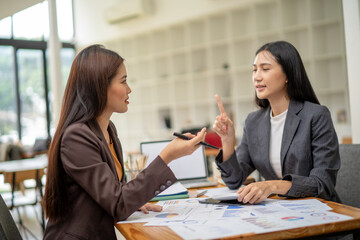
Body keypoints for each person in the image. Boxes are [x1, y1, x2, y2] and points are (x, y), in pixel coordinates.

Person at [43, 44, 206, 239]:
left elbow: (115, 193)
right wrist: (167, 155)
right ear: (100, 86)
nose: (129, 89)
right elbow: (118, 203)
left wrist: (135, 200)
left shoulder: (108, 129)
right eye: (123, 81)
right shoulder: (76, 137)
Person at [213, 41, 340, 205]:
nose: (257, 76)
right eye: (254, 70)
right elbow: (233, 180)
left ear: (288, 74)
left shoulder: (316, 116)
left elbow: (322, 184)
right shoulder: (253, 122)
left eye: (265, 69)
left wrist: (271, 186)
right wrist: (227, 140)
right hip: (279, 212)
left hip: (319, 211)